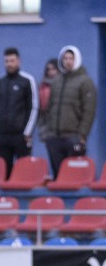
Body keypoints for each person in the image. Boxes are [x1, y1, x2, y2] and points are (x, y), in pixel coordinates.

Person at [43, 45, 97, 176]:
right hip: (54, 138)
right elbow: (49, 108)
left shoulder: (85, 81)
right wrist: (47, 132)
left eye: (71, 58)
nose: (68, 61)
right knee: (58, 177)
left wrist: (82, 135)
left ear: (76, 60)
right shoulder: (56, 81)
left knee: (73, 176)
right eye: (65, 58)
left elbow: (89, 111)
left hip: (73, 137)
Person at [0, 47, 39, 177]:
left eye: (12, 61)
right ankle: (5, 198)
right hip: (1, 136)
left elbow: (34, 107)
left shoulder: (27, 81)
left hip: (20, 136)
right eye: (6, 61)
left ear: (19, 62)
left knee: (24, 172)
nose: (9, 64)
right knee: (4, 173)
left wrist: (27, 132)